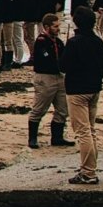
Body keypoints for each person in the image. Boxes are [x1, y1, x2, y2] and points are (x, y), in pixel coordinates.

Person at [61, 7, 103, 184]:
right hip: (94, 88)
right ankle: (89, 167)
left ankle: (88, 172)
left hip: (78, 90)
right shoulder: (98, 42)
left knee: (83, 132)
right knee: (90, 130)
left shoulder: (74, 42)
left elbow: (64, 66)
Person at [27, 12, 73, 149]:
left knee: (63, 109)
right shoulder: (41, 41)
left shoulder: (58, 42)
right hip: (45, 77)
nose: (58, 29)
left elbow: (64, 57)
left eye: (58, 26)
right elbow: (46, 58)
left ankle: (57, 137)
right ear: (47, 27)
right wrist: (59, 64)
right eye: (55, 26)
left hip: (59, 77)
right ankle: (32, 138)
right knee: (39, 109)